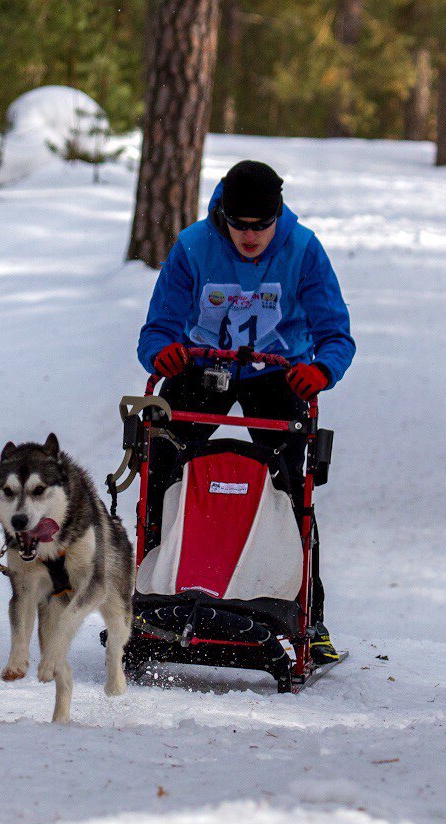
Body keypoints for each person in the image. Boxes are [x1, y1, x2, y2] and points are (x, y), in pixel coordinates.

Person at [136, 159, 355, 664]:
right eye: (240, 225)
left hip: (278, 374)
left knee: (289, 490)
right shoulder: (193, 246)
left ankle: (308, 618)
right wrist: (161, 354)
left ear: (278, 215)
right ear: (223, 217)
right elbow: (156, 330)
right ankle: (150, 602)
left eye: (261, 225)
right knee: (161, 472)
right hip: (202, 367)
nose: (250, 235)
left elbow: (336, 334)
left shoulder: (303, 248)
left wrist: (321, 371)